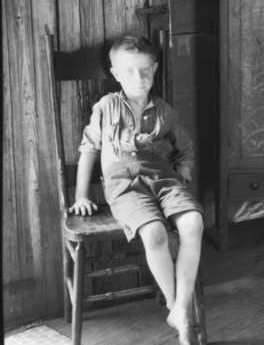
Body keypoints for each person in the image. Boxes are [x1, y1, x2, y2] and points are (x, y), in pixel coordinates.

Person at [70, 35, 204, 345]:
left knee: (193, 223)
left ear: (155, 69)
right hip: (126, 188)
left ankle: (181, 306)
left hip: (165, 181)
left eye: (145, 70)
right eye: (129, 71)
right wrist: (81, 196)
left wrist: (182, 171)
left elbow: (186, 150)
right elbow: (89, 149)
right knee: (155, 233)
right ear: (115, 73)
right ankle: (177, 308)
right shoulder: (107, 107)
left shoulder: (165, 112)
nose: (139, 78)